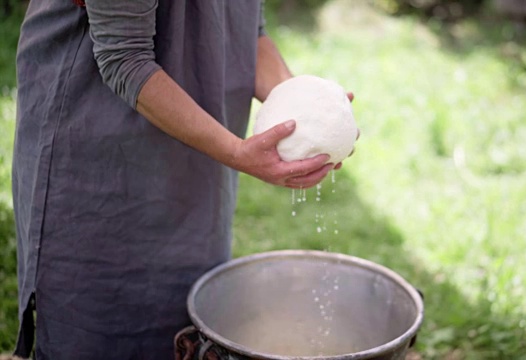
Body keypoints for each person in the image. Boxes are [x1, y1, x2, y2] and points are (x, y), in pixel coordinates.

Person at [12, 0, 352, 358]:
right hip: (101, 139)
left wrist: (303, 110)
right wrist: (236, 153)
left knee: (183, 307)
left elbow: (249, 29)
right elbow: (125, 58)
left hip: (199, 145)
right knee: (101, 319)